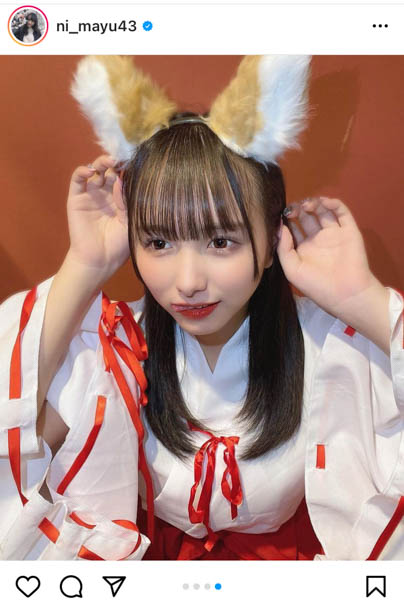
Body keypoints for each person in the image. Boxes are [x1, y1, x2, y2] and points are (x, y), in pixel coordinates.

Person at [0, 55, 403, 561]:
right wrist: (84, 266)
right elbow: (14, 439)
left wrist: (360, 300)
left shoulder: (330, 344)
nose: (188, 283)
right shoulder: (114, 347)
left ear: (271, 241)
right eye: (159, 242)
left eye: (220, 241)